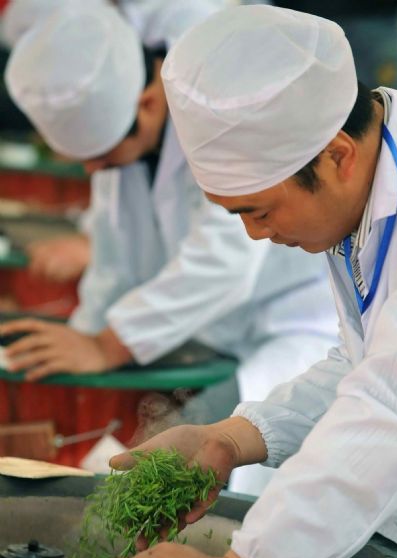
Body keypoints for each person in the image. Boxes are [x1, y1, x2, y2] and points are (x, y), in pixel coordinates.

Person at [105, 5, 397, 558]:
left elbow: (387, 406)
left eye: (259, 211)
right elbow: (365, 363)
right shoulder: (367, 188)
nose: (255, 236)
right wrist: (232, 438)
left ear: (336, 155)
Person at [1, 3, 336, 460]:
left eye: (103, 155)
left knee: (230, 452)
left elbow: (225, 259)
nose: (93, 170)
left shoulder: (218, 111)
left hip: (292, 322)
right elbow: (115, 245)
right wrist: (84, 334)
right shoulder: (128, 137)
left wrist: (106, 345)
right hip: (212, 329)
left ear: (149, 103)